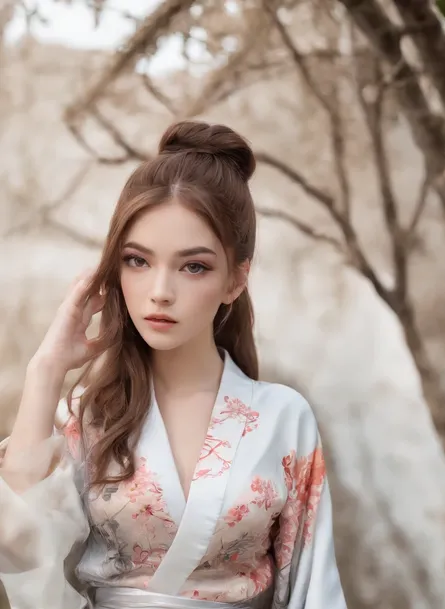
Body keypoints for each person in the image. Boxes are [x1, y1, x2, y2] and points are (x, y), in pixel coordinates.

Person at [0, 121, 347, 609]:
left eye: (194, 266)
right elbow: (17, 545)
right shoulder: (90, 415)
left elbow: (316, 593)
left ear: (235, 279)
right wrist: (45, 370)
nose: (160, 291)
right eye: (137, 261)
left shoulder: (283, 419)